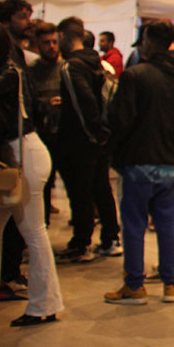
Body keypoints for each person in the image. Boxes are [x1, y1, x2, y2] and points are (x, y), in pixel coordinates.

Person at [0, 21, 64, 329]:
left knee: (32, 231)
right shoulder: (4, 71)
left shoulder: (8, 73)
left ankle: (44, 304)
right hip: (14, 157)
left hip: (23, 155)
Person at [105, 20, 174, 305]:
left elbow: (120, 121)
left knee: (134, 224)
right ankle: (171, 284)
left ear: (148, 41)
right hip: (170, 163)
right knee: (168, 223)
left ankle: (135, 285)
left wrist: (116, 153)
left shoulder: (135, 76)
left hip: (138, 161)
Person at [53, 17, 121, 261]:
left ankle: (81, 244)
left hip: (81, 141)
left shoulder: (71, 67)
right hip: (100, 139)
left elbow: (84, 104)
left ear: (63, 36)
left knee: (80, 192)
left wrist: (94, 135)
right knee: (101, 188)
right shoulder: (99, 64)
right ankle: (110, 238)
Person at [27, 21, 62, 220]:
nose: (51, 46)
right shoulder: (32, 71)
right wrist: (45, 103)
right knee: (44, 183)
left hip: (65, 134)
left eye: (54, 42)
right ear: (38, 44)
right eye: (46, 42)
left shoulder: (67, 67)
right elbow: (29, 102)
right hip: (43, 133)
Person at [0, 0, 37, 69]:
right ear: (5, 22)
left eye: (29, 17)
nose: (30, 22)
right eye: (23, 17)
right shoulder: (1, 55)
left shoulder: (19, 53)